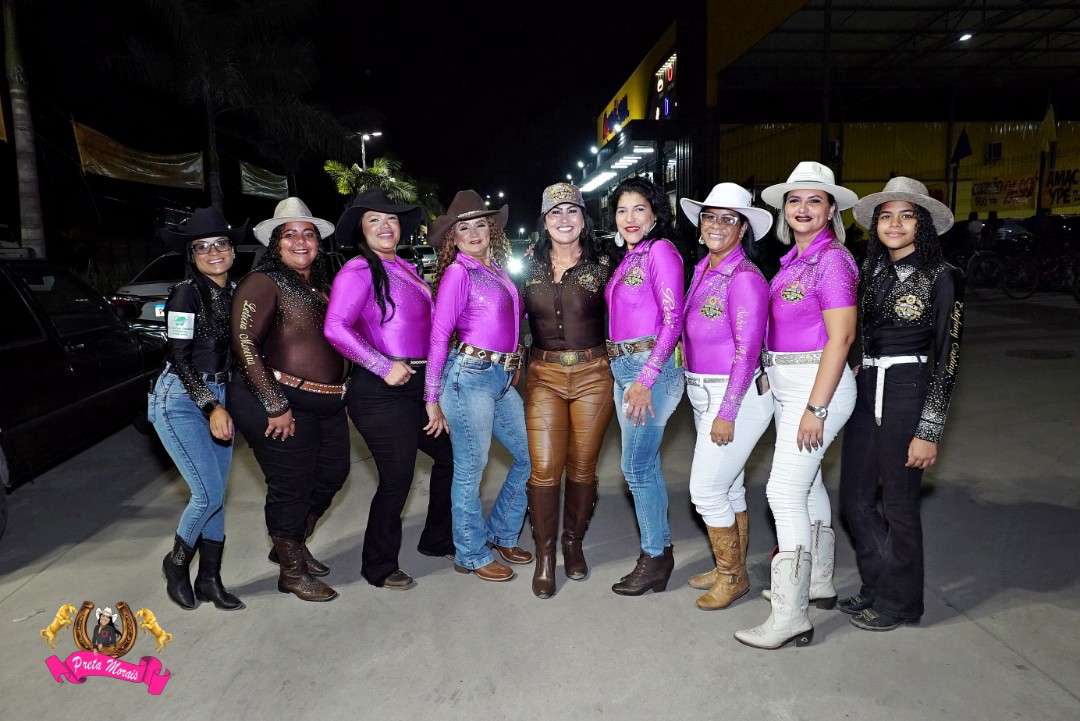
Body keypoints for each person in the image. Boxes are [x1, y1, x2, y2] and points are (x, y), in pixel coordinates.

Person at [735, 161, 858, 649]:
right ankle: (819, 582)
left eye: (814, 200)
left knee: (782, 491)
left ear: (831, 210)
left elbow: (841, 337)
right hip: (792, 384)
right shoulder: (797, 259)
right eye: (794, 200)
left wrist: (817, 408)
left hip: (816, 387)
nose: (803, 208)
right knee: (807, 487)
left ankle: (791, 616)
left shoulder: (832, 260)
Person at [840, 177, 964, 631]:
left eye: (907, 216)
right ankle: (878, 583)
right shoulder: (871, 270)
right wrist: (857, 364)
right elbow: (859, 330)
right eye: (886, 216)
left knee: (900, 506)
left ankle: (901, 602)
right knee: (854, 499)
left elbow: (949, 357)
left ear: (922, 224)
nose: (895, 224)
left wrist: (929, 430)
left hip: (909, 390)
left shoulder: (943, 275)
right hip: (867, 386)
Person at [324, 189, 455, 591]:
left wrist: (432, 391)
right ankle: (378, 566)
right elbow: (335, 327)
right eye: (374, 220)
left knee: (451, 457)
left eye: (391, 219)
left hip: (416, 387)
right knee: (397, 478)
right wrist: (382, 366)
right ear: (361, 230)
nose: (385, 226)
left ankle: (437, 538)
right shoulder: (358, 270)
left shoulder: (404, 266)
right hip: (379, 391)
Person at [229, 197, 349, 602]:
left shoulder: (320, 286)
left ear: (318, 242)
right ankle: (292, 572)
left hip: (327, 403)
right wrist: (274, 403)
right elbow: (245, 343)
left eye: (308, 234)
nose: (301, 241)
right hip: (281, 401)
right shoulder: (262, 282)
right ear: (275, 243)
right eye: (290, 234)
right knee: (291, 485)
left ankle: (289, 542)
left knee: (333, 474)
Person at [425, 190, 532, 582]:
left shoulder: (498, 269)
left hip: (500, 378)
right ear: (453, 238)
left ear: (492, 230)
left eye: (480, 225)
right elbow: (439, 336)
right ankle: (470, 553)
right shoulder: (460, 272)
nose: (473, 234)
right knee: (471, 470)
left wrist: (512, 361)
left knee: (529, 458)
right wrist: (431, 396)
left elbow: (511, 322)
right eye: (463, 228)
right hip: (468, 379)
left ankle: (501, 532)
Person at [678, 183, 774, 610]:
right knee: (730, 487)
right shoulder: (703, 268)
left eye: (728, 219)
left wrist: (728, 411)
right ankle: (728, 569)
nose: (716, 225)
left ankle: (733, 577)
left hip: (734, 396)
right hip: (703, 391)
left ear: (743, 229)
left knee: (705, 491)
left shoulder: (745, 278)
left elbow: (747, 351)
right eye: (710, 216)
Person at [521, 182, 615, 599]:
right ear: (544, 222)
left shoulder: (606, 265)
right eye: (554, 212)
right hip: (544, 376)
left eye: (571, 211)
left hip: (595, 375)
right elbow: (504, 316)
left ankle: (572, 542)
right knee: (544, 468)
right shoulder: (527, 269)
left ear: (584, 219)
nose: (564, 219)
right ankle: (544, 557)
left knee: (581, 468)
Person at [152, 207, 246, 612]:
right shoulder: (185, 294)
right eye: (202, 247)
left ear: (232, 250)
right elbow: (180, 356)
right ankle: (175, 565)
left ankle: (209, 579)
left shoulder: (238, 292)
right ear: (192, 255)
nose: (213, 252)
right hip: (181, 398)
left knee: (216, 495)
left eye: (219, 243)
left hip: (221, 396)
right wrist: (210, 406)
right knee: (206, 494)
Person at [606, 176, 685, 596]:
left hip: (649, 368)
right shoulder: (629, 257)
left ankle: (655, 557)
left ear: (655, 214)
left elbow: (673, 321)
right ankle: (659, 552)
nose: (630, 217)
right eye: (622, 210)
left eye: (639, 208)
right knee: (645, 465)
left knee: (635, 468)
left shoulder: (660, 251)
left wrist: (645, 378)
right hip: (626, 369)